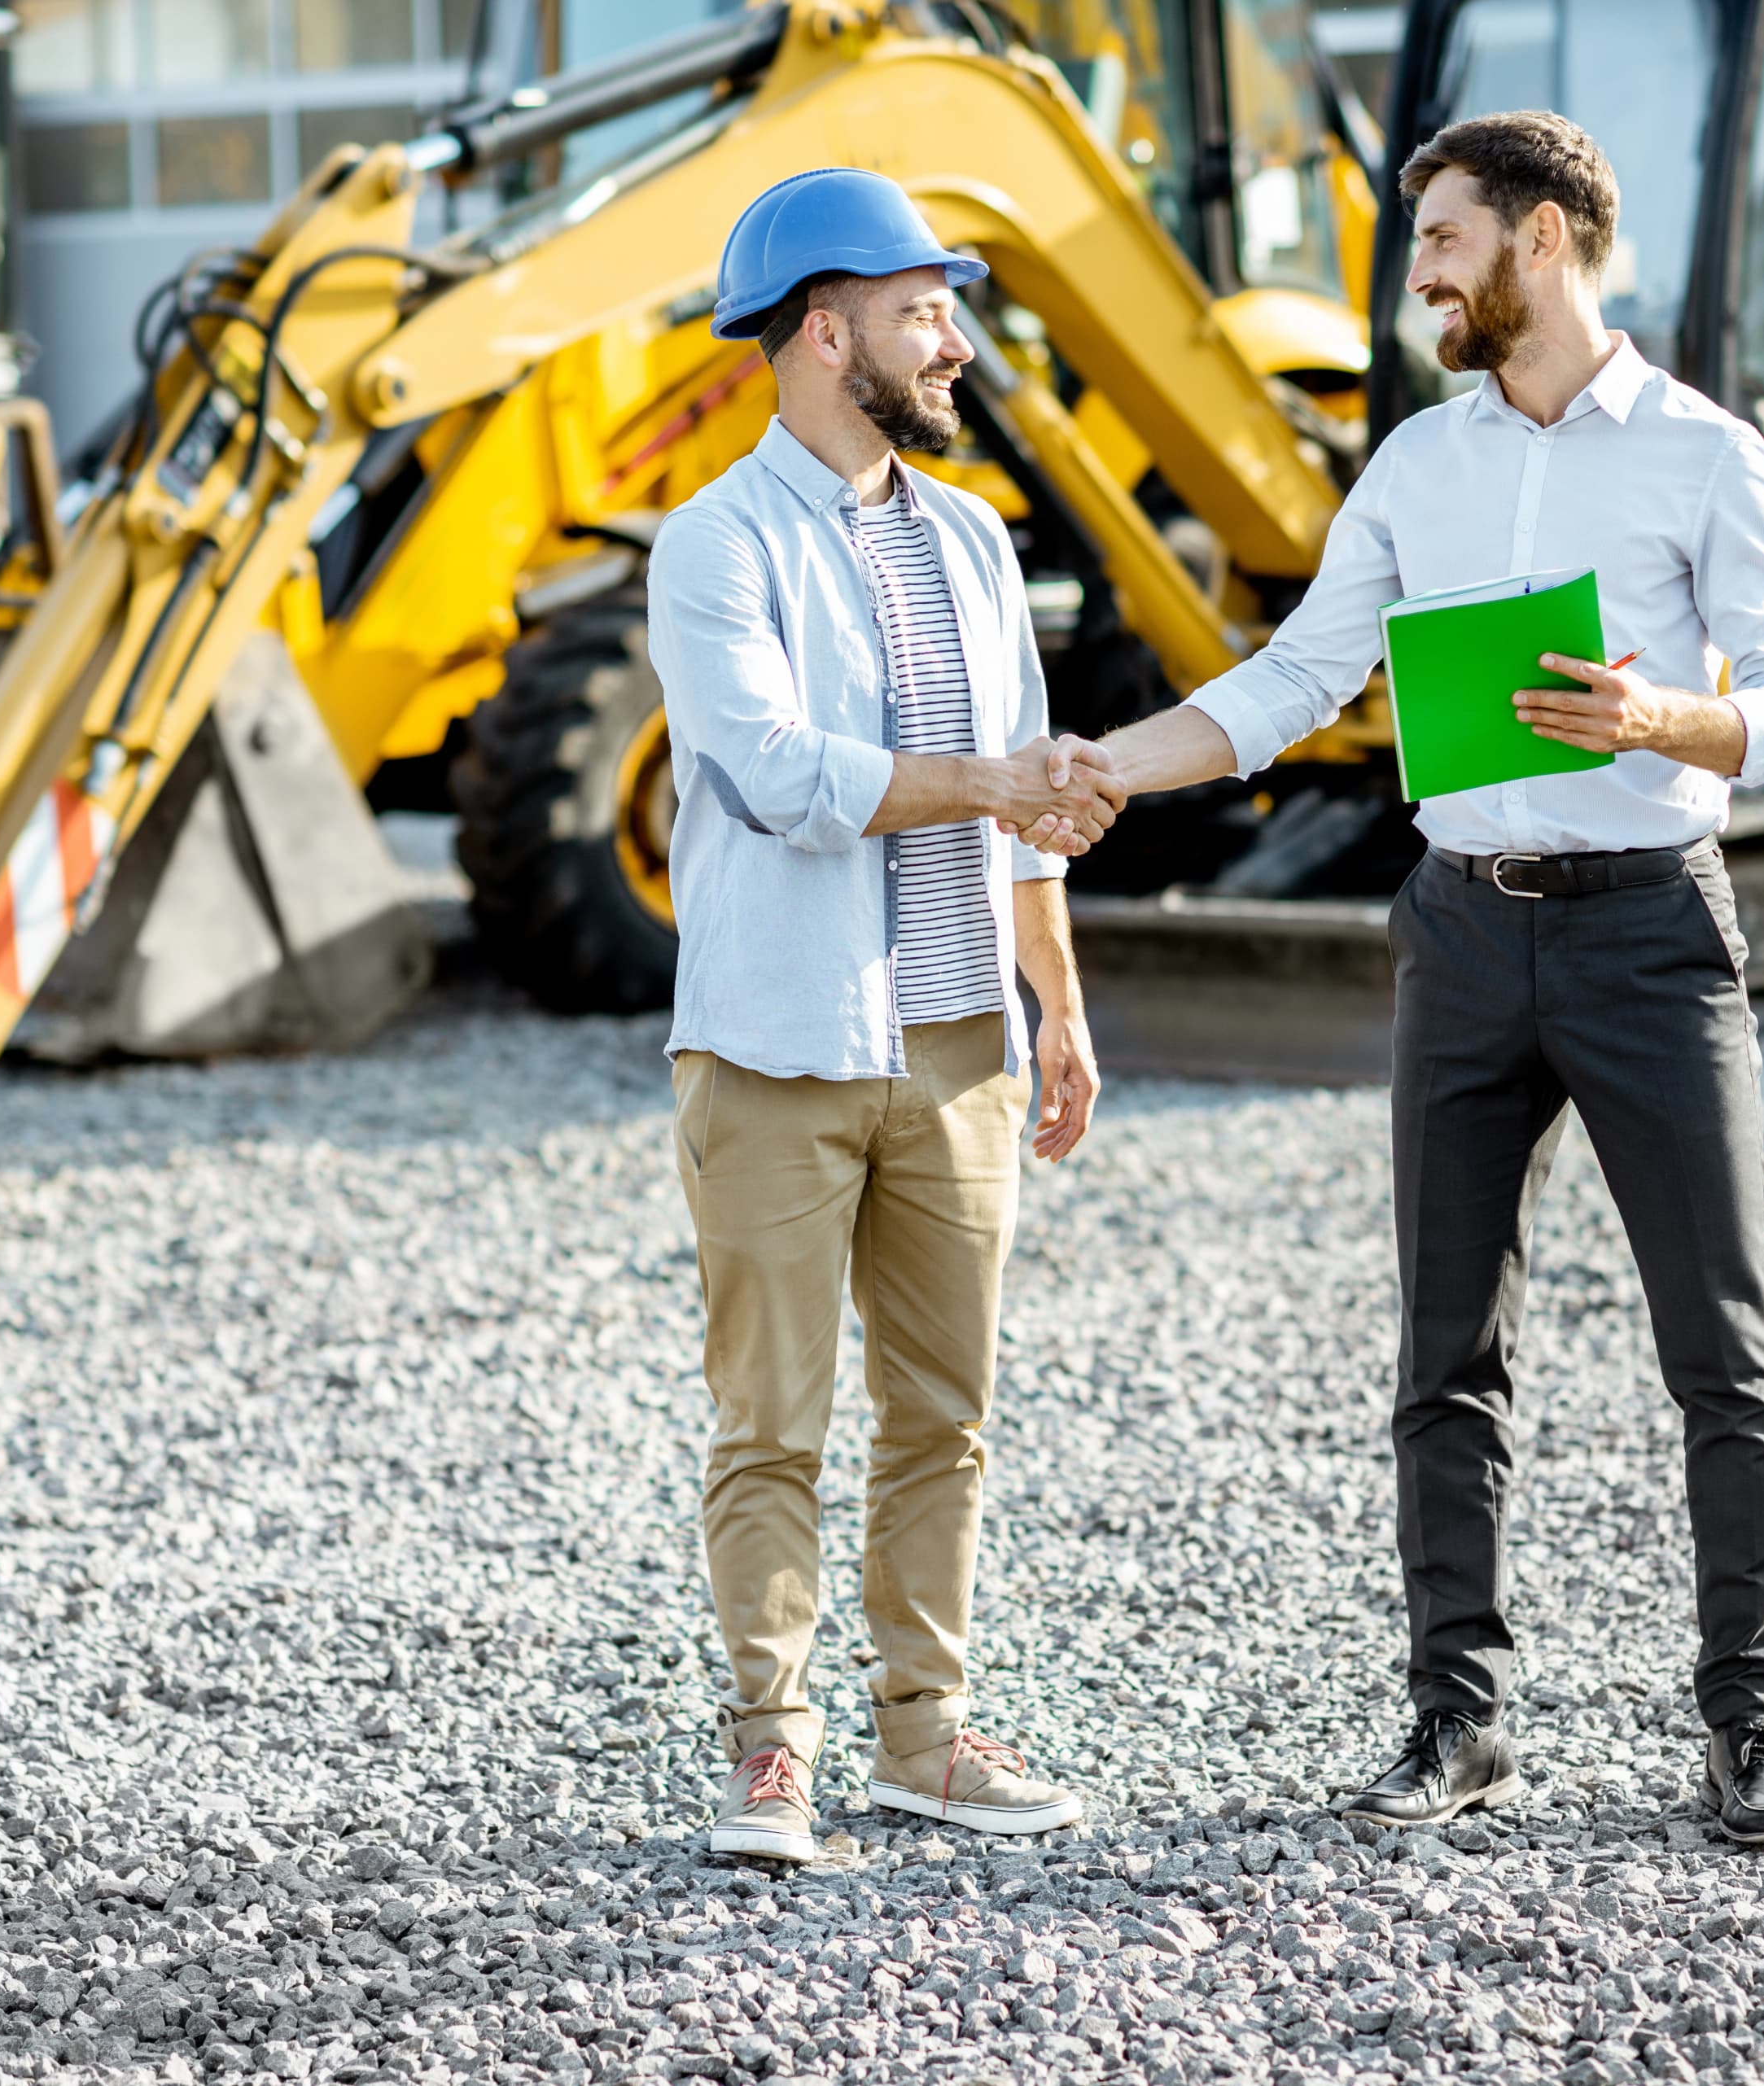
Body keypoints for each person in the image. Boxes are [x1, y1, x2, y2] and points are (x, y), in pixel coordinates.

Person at [1076, 112, 1764, 1844]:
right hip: (1464, 927)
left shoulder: (1712, 456)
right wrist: (1107, 764)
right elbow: (1288, 681)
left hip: (1652, 926)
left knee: (1723, 1348)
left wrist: (1663, 716)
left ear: (1548, 238)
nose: (1418, 271)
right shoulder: (1418, 465)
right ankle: (1458, 1721)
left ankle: (1751, 1728)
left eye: (1445, 238)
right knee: (1444, 1352)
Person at [649, 168, 1120, 1865]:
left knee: (946, 1413)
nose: (955, 338)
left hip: (956, 1047)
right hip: (777, 1045)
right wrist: (997, 780)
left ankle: (924, 1735)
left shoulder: (978, 540)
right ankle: (771, 1752)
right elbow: (778, 778)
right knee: (770, 1418)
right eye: (925, 308)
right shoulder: (713, 545)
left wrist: (1056, 1007)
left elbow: (1027, 808)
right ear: (822, 328)